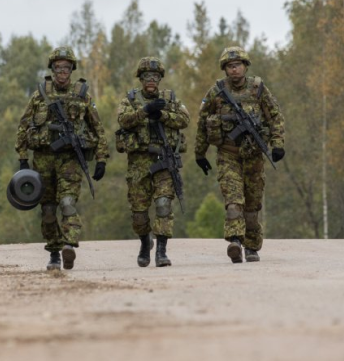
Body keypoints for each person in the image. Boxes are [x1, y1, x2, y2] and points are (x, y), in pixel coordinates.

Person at [15, 46, 109, 271]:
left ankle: (69, 245)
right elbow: (23, 126)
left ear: (72, 70)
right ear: (52, 69)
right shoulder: (40, 95)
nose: (62, 72)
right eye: (58, 68)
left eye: (66, 68)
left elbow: (98, 128)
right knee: (48, 211)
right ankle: (54, 253)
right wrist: (23, 158)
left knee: (67, 203)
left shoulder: (82, 95)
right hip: (43, 161)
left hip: (69, 161)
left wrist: (101, 159)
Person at [194, 46, 285, 263]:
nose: (234, 69)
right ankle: (235, 241)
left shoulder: (258, 89)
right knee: (233, 201)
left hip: (253, 156)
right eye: (230, 66)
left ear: (245, 66)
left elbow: (275, 116)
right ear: (225, 69)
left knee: (252, 205)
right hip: (228, 154)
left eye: (237, 65)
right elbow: (202, 122)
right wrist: (200, 153)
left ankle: (251, 247)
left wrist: (277, 144)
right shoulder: (216, 92)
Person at [116, 57, 190, 267]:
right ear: (140, 79)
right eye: (147, 76)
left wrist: (163, 115)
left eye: (155, 76)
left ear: (160, 79)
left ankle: (161, 251)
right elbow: (123, 120)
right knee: (139, 214)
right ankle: (144, 241)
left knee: (164, 204)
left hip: (164, 161)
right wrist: (145, 111)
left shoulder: (170, 98)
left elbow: (185, 119)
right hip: (138, 164)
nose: (151, 80)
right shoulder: (130, 99)